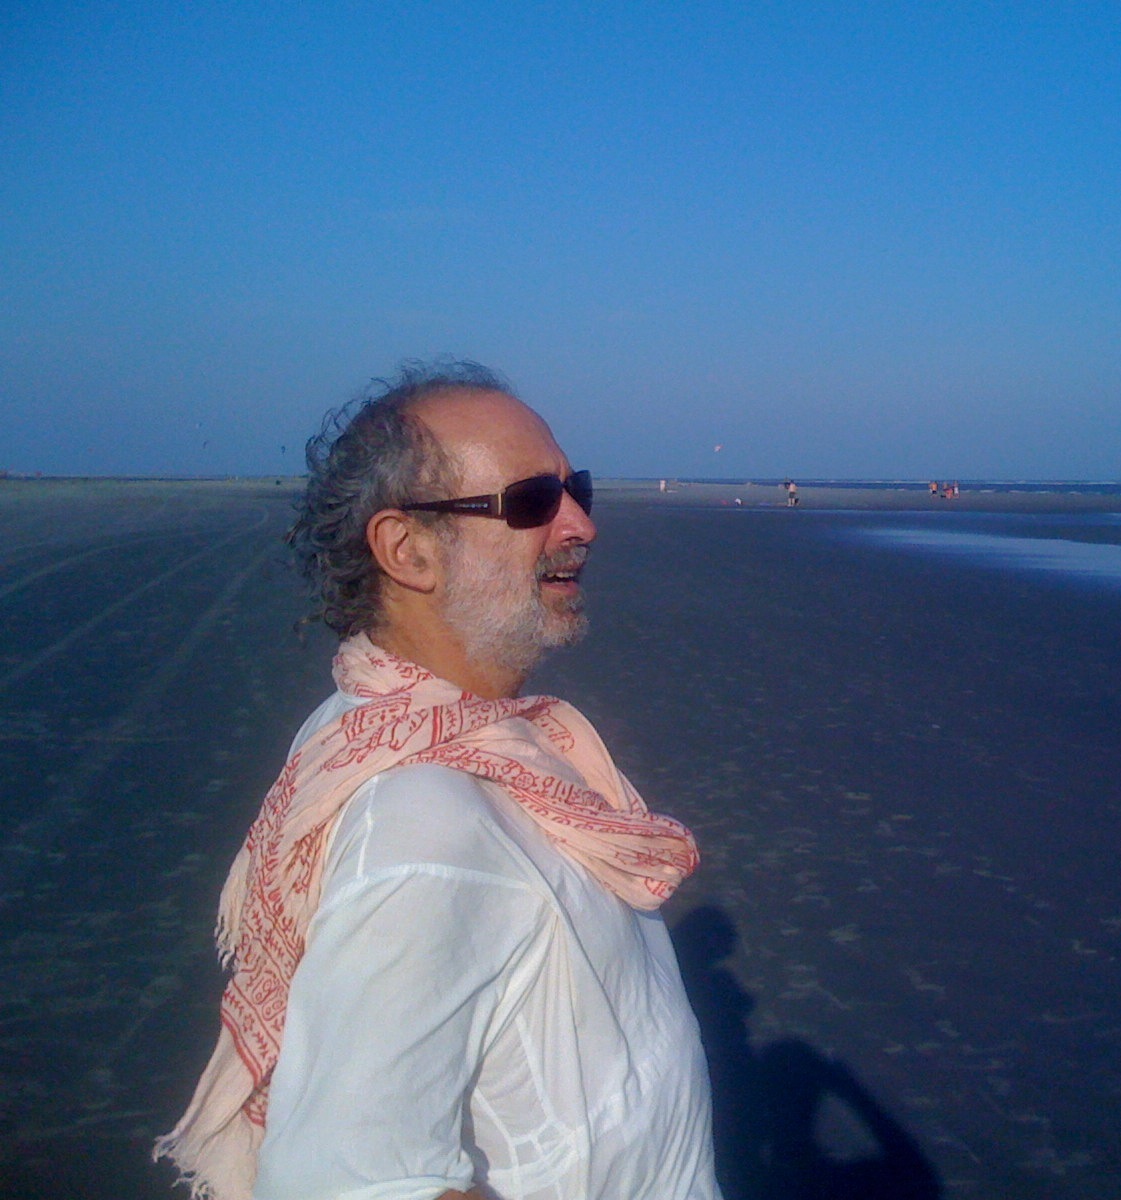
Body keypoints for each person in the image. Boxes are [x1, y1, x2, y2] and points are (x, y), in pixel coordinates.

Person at [157, 361, 719, 1200]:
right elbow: (345, 1182)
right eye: (532, 501)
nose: (580, 525)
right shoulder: (424, 816)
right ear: (408, 551)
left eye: (578, 490)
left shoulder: (384, 728)